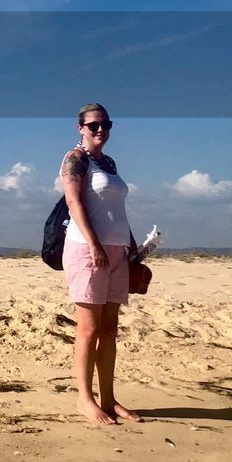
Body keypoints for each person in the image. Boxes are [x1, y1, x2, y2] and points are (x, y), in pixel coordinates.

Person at [59, 103, 142, 426]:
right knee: (89, 328)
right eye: (93, 125)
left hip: (117, 251)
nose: (100, 130)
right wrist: (94, 243)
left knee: (109, 330)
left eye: (105, 124)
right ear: (80, 128)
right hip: (86, 250)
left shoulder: (107, 162)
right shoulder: (75, 159)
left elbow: (116, 211)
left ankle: (109, 398)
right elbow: (74, 202)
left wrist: (132, 247)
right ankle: (85, 399)